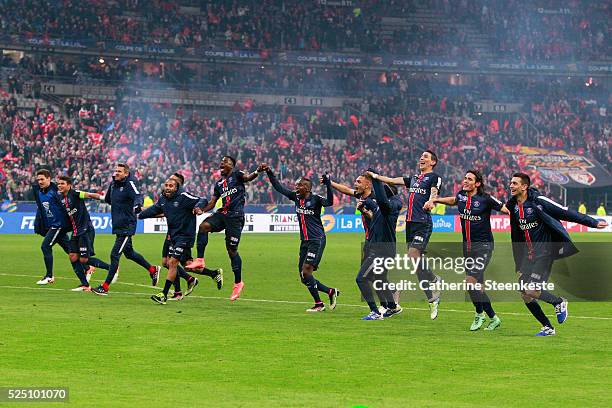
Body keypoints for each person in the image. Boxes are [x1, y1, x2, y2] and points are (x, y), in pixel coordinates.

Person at [507, 173, 607, 336]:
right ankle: (548, 327)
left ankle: (559, 302)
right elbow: (516, 237)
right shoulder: (514, 207)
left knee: (532, 290)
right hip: (529, 255)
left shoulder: (539, 201)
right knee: (525, 294)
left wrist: (592, 222)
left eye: (515, 183)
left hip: (545, 252)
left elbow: (564, 212)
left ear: (524, 186)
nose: (511, 186)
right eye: (510, 183)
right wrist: (519, 263)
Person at [429, 170, 508, 331]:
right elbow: (453, 200)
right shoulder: (462, 196)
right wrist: (437, 199)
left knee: (470, 282)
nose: (465, 181)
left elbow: (506, 209)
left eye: (469, 179)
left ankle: (480, 314)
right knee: (476, 286)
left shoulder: (486, 199)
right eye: (465, 178)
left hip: (484, 247)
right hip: (468, 248)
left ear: (477, 184)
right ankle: (493, 318)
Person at [369, 150, 443, 320]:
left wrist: (431, 201)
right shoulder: (413, 179)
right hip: (410, 224)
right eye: (421, 156)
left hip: (423, 223)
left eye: (426, 157)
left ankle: (434, 279)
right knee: (416, 266)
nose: (422, 158)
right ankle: (432, 299)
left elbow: (434, 191)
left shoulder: (433, 177)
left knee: (413, 254)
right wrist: (376, 176)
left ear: (433, 162)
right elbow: (392, 180)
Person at [262, 164, 339, 312]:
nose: (296, 188)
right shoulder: (295, 197)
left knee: (306, 272)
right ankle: (330, 291)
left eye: (300, 186)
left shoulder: (316, 199)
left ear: (307, 188)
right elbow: (279, 187)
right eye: (296, 185)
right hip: (304, 241)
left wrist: (329, 185)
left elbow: (329, 202)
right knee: (304, 277)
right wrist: (270, 172)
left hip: (317, 240)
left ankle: (319, 304)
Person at [188, 156, 262, 301]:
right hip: (222, 214)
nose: (222, 163)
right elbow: (212, 202)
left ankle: (238, 283)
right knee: (203, 226)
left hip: (235, 217)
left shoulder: (237, 175)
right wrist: (202, 210)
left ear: (232, 166)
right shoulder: (219, 184)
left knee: (231, 250)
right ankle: (200, 259)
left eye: (226, 162)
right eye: (221, 162)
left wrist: (257, 171)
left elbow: (248, 178)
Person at [329, 173, 401, 320]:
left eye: (358, 181)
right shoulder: (378, 206)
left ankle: (375, 311)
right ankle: (392, 306)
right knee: (379, 277)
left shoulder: (387, 207)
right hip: (377, 245)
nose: (355, 184)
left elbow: (378, 213)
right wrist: (365, 210)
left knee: (361, 278)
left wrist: (375, 178)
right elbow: (375, 215)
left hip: (381, 248)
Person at [92, 163, 161, 296]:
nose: (116, 173)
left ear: (126, 173)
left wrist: (137, 205)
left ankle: (105, 287)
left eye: (119, 171)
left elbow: (138, 196)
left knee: (114, 255)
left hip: (127, 226)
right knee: (129, 253)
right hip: (118, 224)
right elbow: (107, 199)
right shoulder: (113, 185)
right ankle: (152, 269)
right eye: (115, 171)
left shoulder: (129, 183)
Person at [138, 178, 209, 304]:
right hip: (174, 236)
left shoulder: (183, 197)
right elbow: (153, 209)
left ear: (176, 188)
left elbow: (202, 200)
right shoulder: (163, 200)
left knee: (173, 262)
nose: (168, 187)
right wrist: (139, 214)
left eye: (171, 185)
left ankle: (164, 294)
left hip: (186, 235)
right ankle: (208, 275)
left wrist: (198, 207)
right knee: (181, 264)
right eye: (166, 185)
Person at [56, 176, 111, 291]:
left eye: (62, 183)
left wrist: (104, 198)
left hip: (85, 230)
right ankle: (85, 284)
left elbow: (90, 195)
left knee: (83, 260)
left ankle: (112, 268)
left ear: (69, 185)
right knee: (72, 256)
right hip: (75, 232)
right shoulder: (61, 199)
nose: (60, 185)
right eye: (58, 184)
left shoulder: (75, 194)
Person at [32, 169, 78, 285]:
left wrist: (72, 221)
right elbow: (41, 208)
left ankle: (49, 276)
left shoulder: (56, 191)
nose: (40, 182)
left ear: (49, 179)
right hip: (51, 225)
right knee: (71, 251)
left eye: (42, 179)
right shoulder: (38, 191)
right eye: (38, 180)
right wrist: (39, 223)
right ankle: (88, 267)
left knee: (45, 246)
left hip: (58, 225)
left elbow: (67, 204)